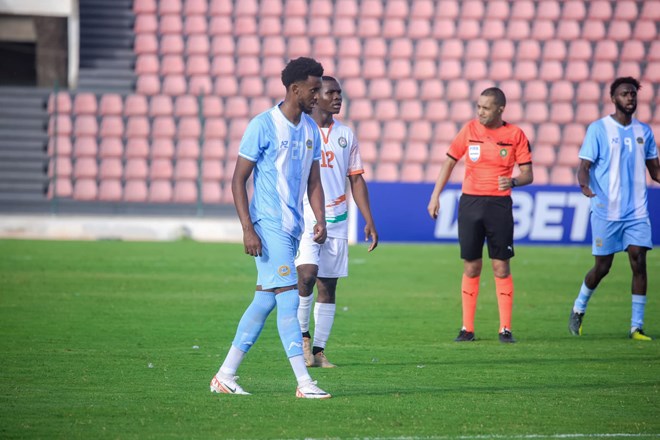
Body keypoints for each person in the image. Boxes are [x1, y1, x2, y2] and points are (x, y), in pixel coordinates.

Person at [209, 57, 331, 399]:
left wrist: (319, 218)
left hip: (292, 228)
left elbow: (314, 182)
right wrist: (248, 228)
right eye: (313, 90)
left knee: (264, 301)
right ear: (294, 89)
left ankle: (224, 375)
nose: (318, 96)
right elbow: (238, 180)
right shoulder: (262, 125)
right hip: (268, 224)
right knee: (289, 298)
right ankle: (304, 382)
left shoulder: (310, 130)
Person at [427, 87, 533, 343]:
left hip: (499, 206)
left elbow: (528, 174)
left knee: (501, 266)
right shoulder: (469, 130)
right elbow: (449, 161)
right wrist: (435, 195)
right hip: (470, 204)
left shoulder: (515, 135)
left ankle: (505, 328)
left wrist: (513, 182)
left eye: (486, 108)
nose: (480, 112)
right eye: (479, 107)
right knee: (471, 266)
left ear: (500, 109)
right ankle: (467, 328)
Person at [295, 76, 378, 368]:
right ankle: (302, 339)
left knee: (327, 287)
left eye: (339, 93)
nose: (338, 98)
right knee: (306, 275)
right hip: (306, 215)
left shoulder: (346, 135)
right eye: (331, 92)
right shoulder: (301, 130)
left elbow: (356, 179)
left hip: (338, 219)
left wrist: (368, 219)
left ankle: (318, 352)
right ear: (316, 97)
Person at [568, 77, 659, 341]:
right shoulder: (599, 129)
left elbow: (655, 171)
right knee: (602, 267)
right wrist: (584, 185)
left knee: (638, 261)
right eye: (624, 94)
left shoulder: (644, 132)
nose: (630, 97)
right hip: (606, 210)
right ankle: (578, 308)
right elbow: (584, 166)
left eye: (633, 94)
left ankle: (636, 327)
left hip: (637, 212)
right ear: (613, 98)